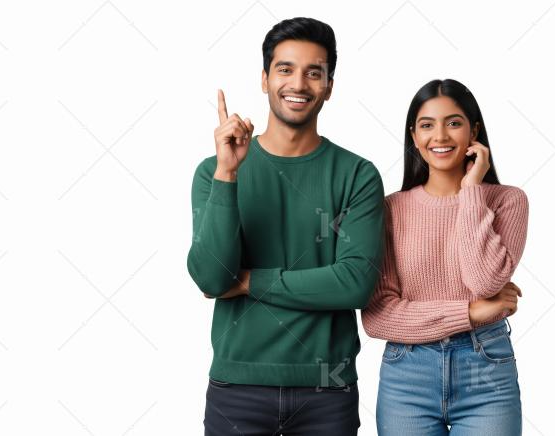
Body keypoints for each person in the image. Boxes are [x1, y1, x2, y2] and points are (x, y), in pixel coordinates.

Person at [186, 17, 385, 435]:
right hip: (237, 386)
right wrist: (228, 174)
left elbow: (353, 284)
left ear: (329, 86)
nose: (299, 83)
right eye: (285, 69)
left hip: (327, 391)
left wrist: (248, 283)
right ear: (264, 79)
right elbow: (212, 276)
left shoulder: (357, 175)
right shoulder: (214, 172)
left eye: (314, 72)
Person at [361, 78, 529, 435]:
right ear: (414, 135)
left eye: (453, 123)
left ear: (474, 132)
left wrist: (470, 191)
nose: (440, 136)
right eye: (427, 125)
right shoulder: (390, 210)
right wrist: (470, 312)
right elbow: (378, 317)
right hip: (407, 374)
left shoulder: (507, 201)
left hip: (485, 368)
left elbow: (485, 280)